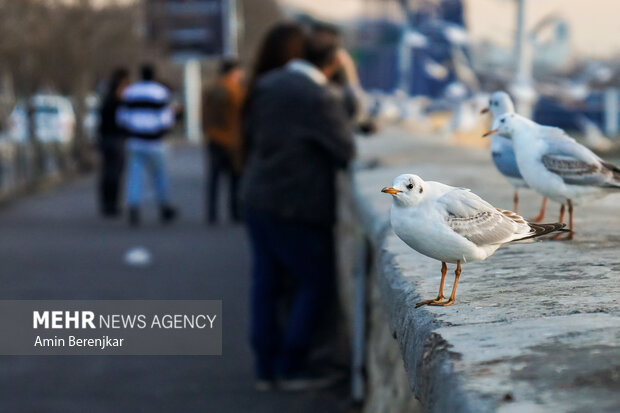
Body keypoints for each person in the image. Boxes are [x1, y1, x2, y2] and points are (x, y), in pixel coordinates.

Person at [241, 31, 355, 390]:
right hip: (295, 204)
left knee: (266, 282)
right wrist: (348, 81)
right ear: (334, 61)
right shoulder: (317, 96)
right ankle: (292, 366)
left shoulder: (268, 83)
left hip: (256, 196)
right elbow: (345, 149)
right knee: (314, 281)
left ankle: (266, 367)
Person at [116, 64, 177, 227]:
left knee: (134, 176)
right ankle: (164, 206)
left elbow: (122, 117)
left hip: (135, 141)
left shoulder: (131, 92)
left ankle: (133, 207)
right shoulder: (160, 92)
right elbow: (166, 119)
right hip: (155, 142)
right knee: (159, 175)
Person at [202, 59, 245, 224]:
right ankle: (235, 212)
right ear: (233, 71)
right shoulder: (236, 90)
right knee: (235, 178)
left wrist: (207, 130)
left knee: (214, 178)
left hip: (214, 137)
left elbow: (204, 113)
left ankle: (212, 213)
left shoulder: (211, 88)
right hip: (232, 140)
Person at [98, 68, 129, 217]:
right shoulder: (117, 102)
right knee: (114, 173)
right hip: (114, 139)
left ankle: (107, 203)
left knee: (107, 172)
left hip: (106, 139)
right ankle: (111, 204)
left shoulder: (106, 99)